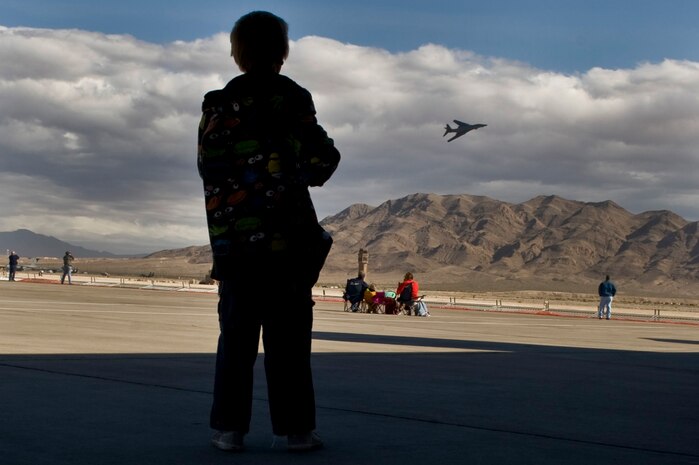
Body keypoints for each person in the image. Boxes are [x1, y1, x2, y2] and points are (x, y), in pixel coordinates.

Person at [197, 11, 340, 453]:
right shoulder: (292, 98)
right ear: (283, 52)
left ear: (237, 55)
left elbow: (209, 167)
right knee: (289, 341)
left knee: (235, 338)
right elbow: (321, 163)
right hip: (287, 244)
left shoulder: (217, 104)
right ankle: (294, 431)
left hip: (235, 244)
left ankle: (228, 429)